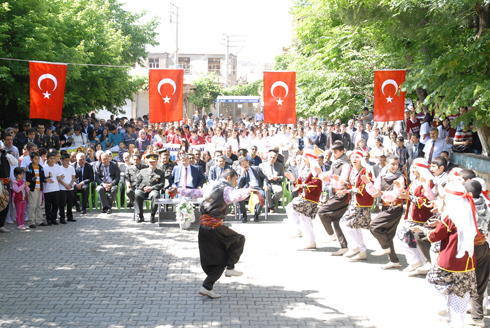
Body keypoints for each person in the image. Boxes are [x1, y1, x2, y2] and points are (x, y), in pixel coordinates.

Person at [169, 168, 253, 299]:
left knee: (220, 260)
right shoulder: (226, 188)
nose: (236, 183)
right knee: (239, 239)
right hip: (214, 228)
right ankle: (230, 267)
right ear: (229, 177)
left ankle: (207, 287)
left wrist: (179, 190)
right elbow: (234, 196)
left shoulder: (211, 186)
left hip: (204, 228)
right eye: (235, 179)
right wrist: (248, 190)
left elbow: (195, 192)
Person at [412, 183, 478, 328]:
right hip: (467, 262)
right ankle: (457, 323)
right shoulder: (471, 212)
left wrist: (423, 229)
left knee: (433, 281)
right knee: (460, 295)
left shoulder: (450, 216)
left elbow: (434, 236)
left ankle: (442, 308)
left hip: (449, 262)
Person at [364, 154, 405, 269]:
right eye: (392, 164)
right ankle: (394, 260)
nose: (395, 166)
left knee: (374, 225)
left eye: (397, 164)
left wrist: (382, 193)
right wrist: (368, 183)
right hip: (386, 207)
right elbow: (375, 191)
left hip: (395, 208)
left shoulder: (400, 177)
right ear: (386, 163)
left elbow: (394, 195)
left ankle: (385, 247)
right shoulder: (382, 175)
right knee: (386, 234)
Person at [395, 158, 434, 273]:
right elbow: (409, 194)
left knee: (409, 237)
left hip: (422, 217)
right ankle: (417, 261)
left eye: (415, 167)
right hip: (412, 215)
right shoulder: (415, 181)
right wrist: (402, 190)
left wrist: (409, 197)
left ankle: (419, 262)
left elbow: (426, 201)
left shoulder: (427, 182)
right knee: (405, 237)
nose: (413, 169)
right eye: (412, 167)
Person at [338, 150, 375, 261]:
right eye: (352, 157)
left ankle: (355, 247)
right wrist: (344, 185)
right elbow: (352, 185)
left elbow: (363, 188)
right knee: (354, 226)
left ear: (361, 159)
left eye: (357, 157)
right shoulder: (353, 170)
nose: (354, 159)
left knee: (345, 223)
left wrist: (347, 191)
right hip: (354, 202)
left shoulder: (366, 171)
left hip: (362, 203)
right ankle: (362, 251)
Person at [317, 141, 351, 255]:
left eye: (336, 152)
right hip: (336, 194)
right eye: (333, 152)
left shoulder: (346, 165)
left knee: (322, 211)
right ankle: (344, 246)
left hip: (343, 195)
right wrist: (321, 174)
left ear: (342, 151)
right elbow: (329, 175)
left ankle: (331, 235)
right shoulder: (335, 163)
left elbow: (342, 183)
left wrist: (329, 179)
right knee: (336, 220)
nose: (334, 154)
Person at [465, 178, 490, 327]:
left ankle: (456, 315)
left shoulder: (465, 206)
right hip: (483, 246)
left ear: (468, 193)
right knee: (480, 282)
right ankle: (477, 316)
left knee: (463, 281)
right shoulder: (487, 204)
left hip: (468, 249)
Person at [285, 155, 323, 249]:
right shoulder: (304, 168)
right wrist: (294, 180)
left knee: (291, 207)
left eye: (306, 157)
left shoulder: (316, 169)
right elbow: (301, 182)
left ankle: (298, 230)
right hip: (304, 196)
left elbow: (316, 183)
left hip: (311, 197)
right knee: (305, 219)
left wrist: (303, 186)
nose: (303, 158)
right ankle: (311, 242)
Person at [134, 154, 165, 223]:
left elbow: (162, 184)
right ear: (148, 162)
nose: (151, 163)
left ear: (156, 162)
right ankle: (140, 216)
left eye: (153, 162)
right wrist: (143, 187)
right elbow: (138, 183)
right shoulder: (142, 171)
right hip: (143, 190)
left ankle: (152, 215)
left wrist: (152, 187)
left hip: (153, 190)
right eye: (150, 162)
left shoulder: (161, 172)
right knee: (138, 194)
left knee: (154, 195)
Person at [236, 157, 267, 223]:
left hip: (257, 187)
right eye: (243, 164)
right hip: (246, 189)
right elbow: (238, 185)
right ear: (240, 166)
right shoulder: (239, 172)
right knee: (240, 197)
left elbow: (264, 177)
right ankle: (244, 215)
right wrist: (242, 175)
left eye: (245, 163)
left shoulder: (256, 168)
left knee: (262, 195)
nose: (245, 165)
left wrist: (265, 185)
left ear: (248, 162)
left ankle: (256, 214)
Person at [25, 152, 47, 227]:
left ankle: (39, 220)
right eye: (35, 159)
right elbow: (27, 178)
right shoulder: (30, 167)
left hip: (39, 188)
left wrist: (46, 180)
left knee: (39, 205)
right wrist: (32, 178)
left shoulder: (40, 167)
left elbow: (42, 178)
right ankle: (31, 222)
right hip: (33, 188)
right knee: (32, 205)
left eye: (38, 159)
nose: (37, 160)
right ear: (31, 159)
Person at [43, 152, 62, 226]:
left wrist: (59, 177)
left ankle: (54, 218)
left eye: (54, 158)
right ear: (47, 159)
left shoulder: (57, 167)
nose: (52, 160)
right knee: (48, 205)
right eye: (51, 158)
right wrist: (47, 179)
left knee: (55, 205)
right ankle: (49, 219)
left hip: (56, 188)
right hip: (47, 189)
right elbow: (43, 178)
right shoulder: (44, 167)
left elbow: (58, 176)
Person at [58, 154, 76, 224]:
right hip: (62, 188)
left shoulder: (71, 168)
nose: (67, 162)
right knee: (62, 203)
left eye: (68, 160)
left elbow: (73, 177)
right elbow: (59, 179)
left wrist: (71, 184)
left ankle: (70, 216)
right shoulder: (59, 168)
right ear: (62, 160)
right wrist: (65, 185)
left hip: (70, 188)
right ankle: (62, 217)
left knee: (70, 203)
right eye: (66, 160)